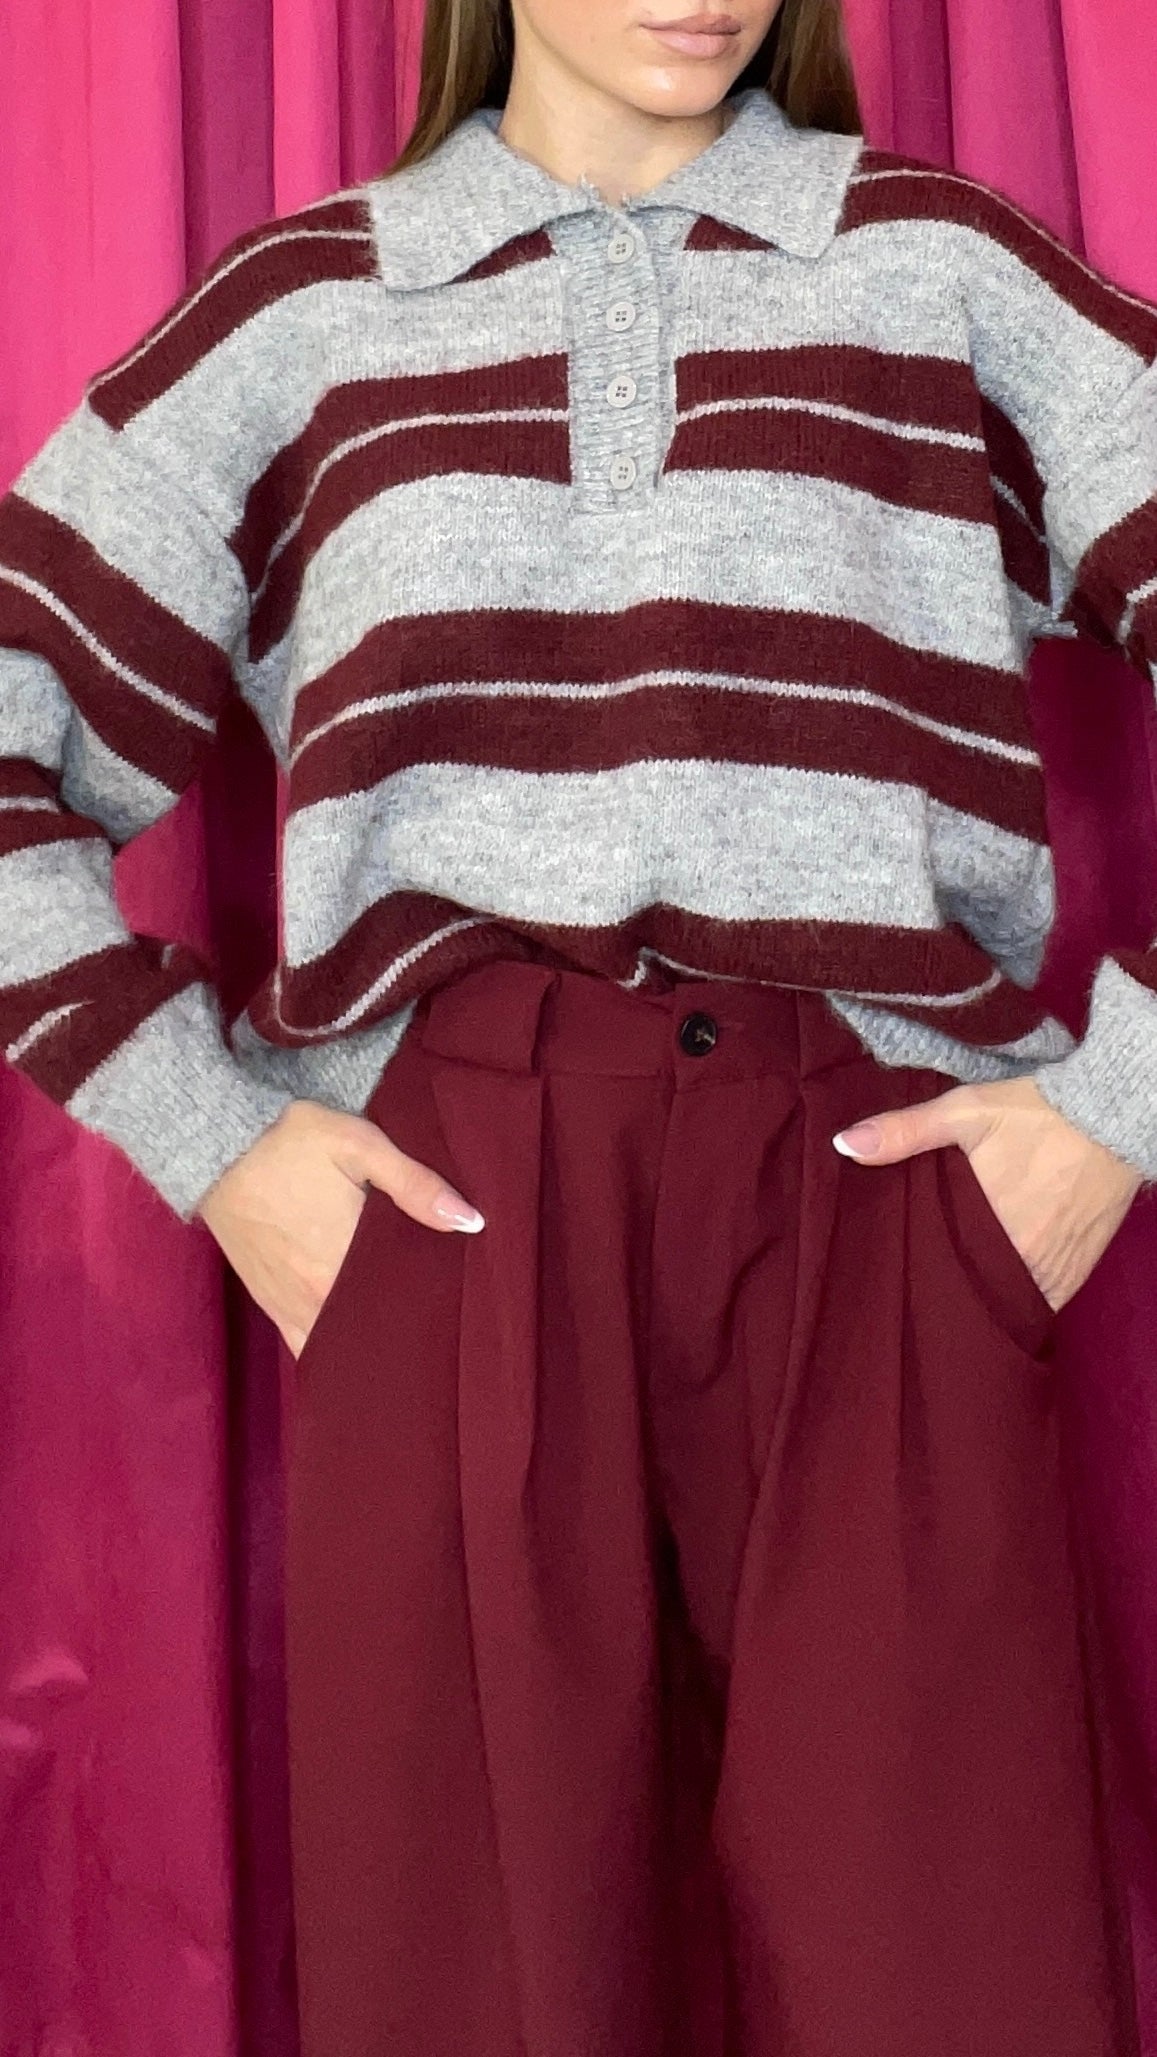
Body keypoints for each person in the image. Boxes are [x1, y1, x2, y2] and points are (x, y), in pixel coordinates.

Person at [1, 0, 1155, 2048]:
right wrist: (217, 1140)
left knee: (951, 1985)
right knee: (477, 2001)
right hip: (455, 1219)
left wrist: (1119, 1112)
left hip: (882, 1199)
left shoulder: (940, 270)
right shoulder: (308, 315)